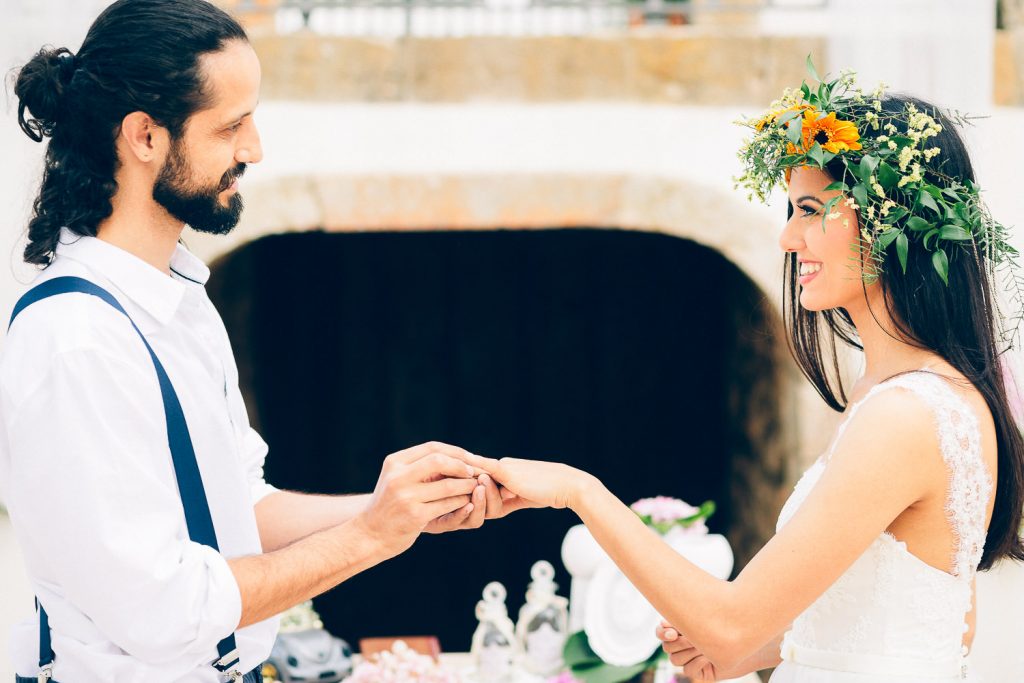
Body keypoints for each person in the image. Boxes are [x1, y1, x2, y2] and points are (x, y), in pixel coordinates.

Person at [1, 1, 521, 681]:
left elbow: (237, 507)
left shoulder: (179, 299)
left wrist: (398, 506)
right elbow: (168, 612)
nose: (255, 148)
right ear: (144, 137)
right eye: (231, 126)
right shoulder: (76, 341)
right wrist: (371, 538)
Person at [470, 69, 1024, 681]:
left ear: (886, 223)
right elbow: (948, 620)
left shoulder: (905, 414)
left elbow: (730, 625)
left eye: (810, 210)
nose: (789, 238)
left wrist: (580, 492)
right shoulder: (934, 394)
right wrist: (772, 648)